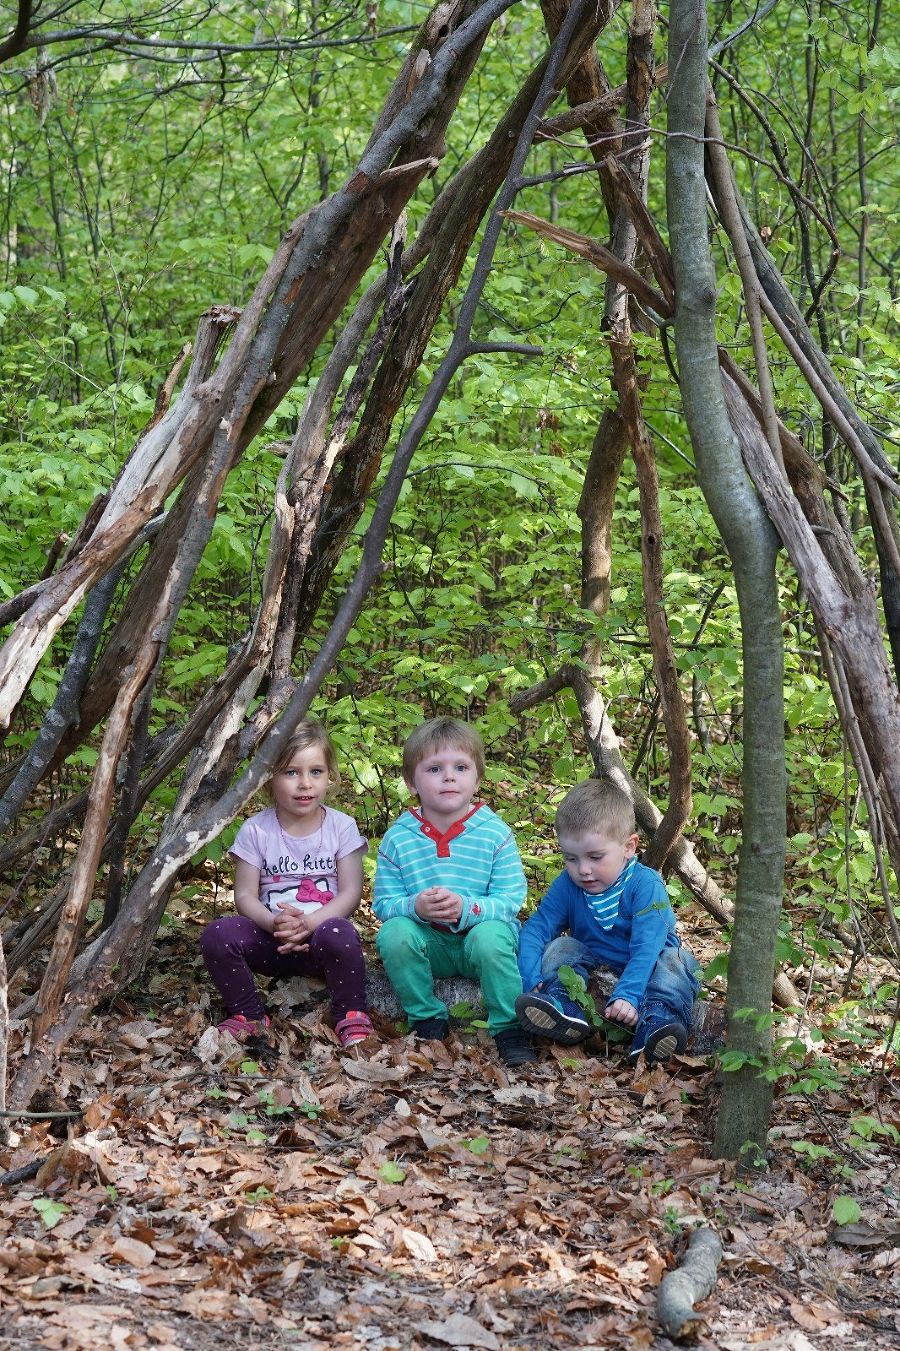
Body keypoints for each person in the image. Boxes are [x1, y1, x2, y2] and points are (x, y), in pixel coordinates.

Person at [373, 717, 536, 1067]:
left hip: (478, 941)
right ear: (411, 782)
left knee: (493, 936)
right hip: (429, 943)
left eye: (460, 767)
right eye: (434, 768)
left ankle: (509, 1028)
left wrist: (467, 908)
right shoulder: (399, 837)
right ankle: (427, 1019)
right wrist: (416, 907)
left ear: (477, 778)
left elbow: (511, 900)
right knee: (394, 933)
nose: (449, 776)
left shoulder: (494, 832)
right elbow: (383, 904)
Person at [201, 718, 374, 1047]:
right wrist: (273, 922)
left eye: (316, 772)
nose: (304, 784)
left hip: (322, 941)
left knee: (341, 932)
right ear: (270, 776)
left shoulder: (341, 826)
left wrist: (309, 922)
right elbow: (245, 895)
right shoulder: (256, 829)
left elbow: (351, 893)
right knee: (217, 935)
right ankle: (249, 1014)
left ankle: (350, 1013)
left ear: (330, 776)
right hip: (271, 940)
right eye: (291, 772)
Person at [515, 778, 701, 1062]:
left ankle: (658, 1024)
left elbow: (646, 948)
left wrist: (627, 994)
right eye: (571, 858)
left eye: (595, 856)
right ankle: (565, 1008)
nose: (583, 870)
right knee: (560, 948)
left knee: (678, 961)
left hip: (649, 967)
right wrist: (530, 977)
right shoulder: (568, 885)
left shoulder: (645, 885)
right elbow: (537, 928)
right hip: (593, 964)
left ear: (628, 847)